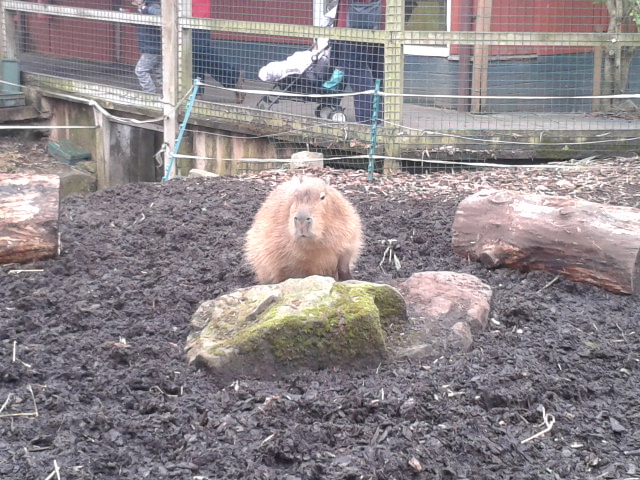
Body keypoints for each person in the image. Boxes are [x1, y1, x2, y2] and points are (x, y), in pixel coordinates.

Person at [323, 0, 384, 124]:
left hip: (355, 24)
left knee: (357, 70)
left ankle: (368, 122)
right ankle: (374, 118)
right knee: (376, 73)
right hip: (380, 25)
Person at [133, 0, 162, 94]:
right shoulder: (144, 8)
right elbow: (142, 25)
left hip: (152, 46)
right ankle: (166, 94)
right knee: (159, 72)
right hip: (151, 46)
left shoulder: (154, 5)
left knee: (140, 70)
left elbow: (161, 15)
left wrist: (147, 9)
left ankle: (149, 93)